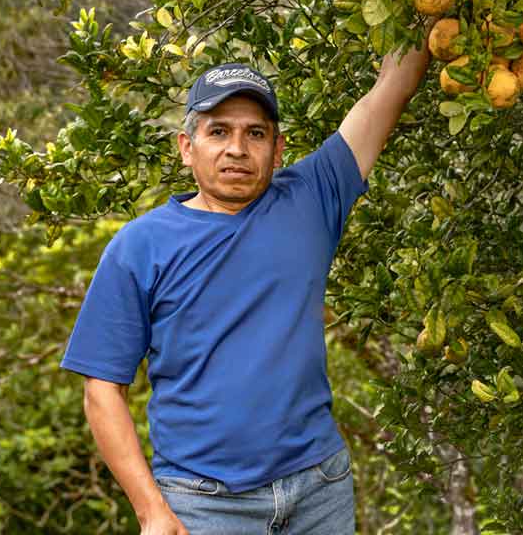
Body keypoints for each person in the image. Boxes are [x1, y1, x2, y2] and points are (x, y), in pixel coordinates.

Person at [60, 27, 431, 534]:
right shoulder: (139, 247)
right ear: (187, 147)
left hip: (319, 488)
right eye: (219, 132)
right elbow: (101, 389)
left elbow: (395, 83)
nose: (236, 148)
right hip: (201, 503)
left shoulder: (311, 199)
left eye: (254, 133)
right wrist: (150, 511)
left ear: (277, 150)